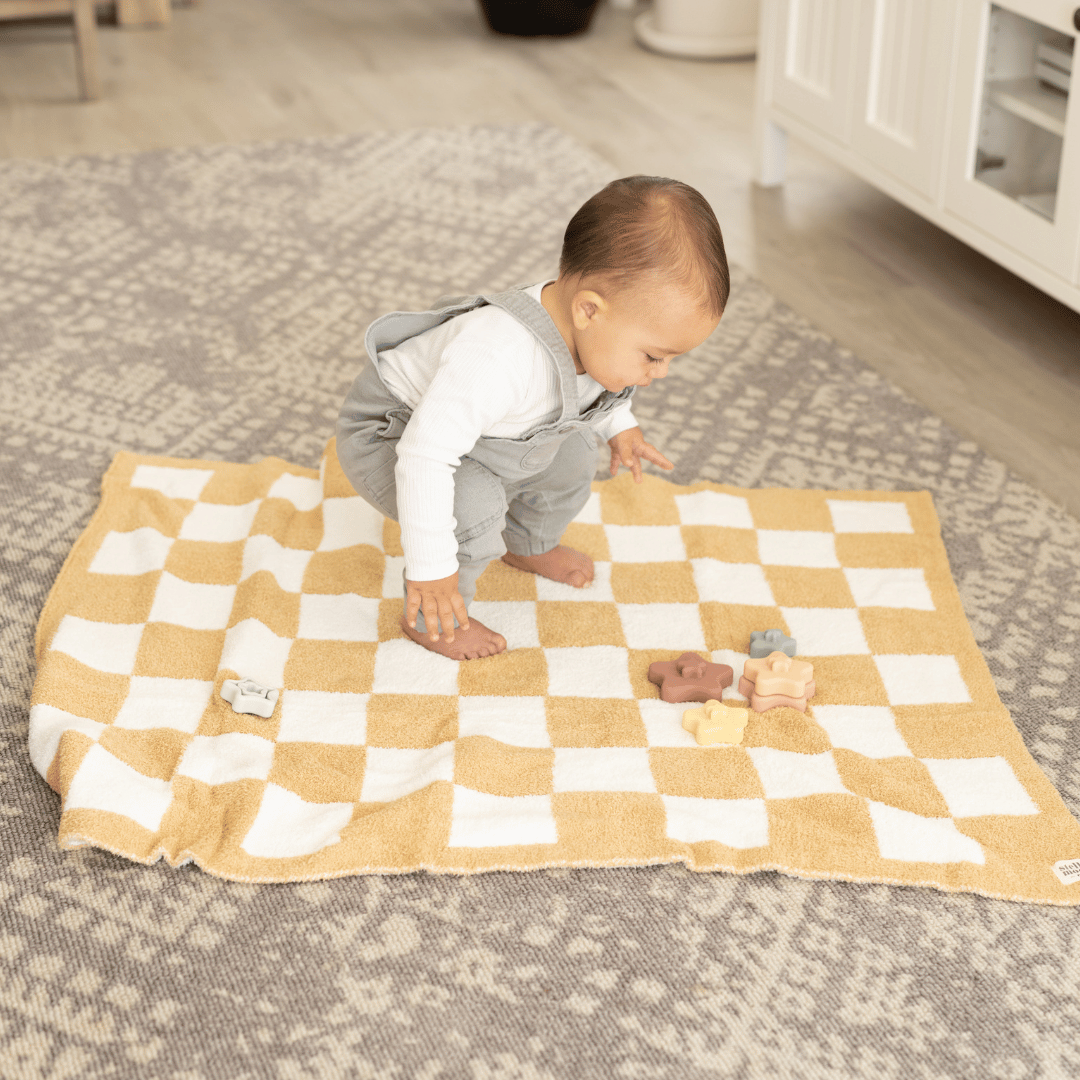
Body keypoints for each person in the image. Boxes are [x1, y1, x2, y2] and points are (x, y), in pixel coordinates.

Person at [337, 175, 729, 660]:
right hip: (395, 434)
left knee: (575, 453)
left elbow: (589, 387)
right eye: (652, 356)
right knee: (474, 505)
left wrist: (619, 424)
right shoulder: (496, 357)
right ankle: (431, 615)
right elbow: (424, 458)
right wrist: (430, 565)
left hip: (483, 430)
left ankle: (527, 542)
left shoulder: (591, 329)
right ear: (589, 310)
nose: (662, 373)